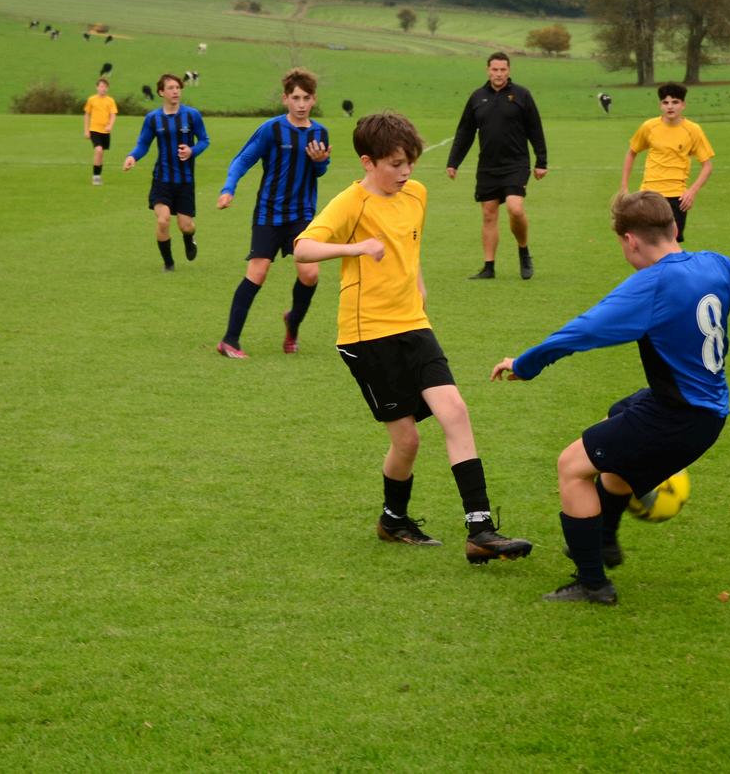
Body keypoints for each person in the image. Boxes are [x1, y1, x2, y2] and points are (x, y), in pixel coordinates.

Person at [490, 191, 730, 604]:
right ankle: (603, 539)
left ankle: (593, 585)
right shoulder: (716, 265)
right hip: (702, 412)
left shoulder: (651, 285)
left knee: (571, 467)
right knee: (618, 417)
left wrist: (525, 364)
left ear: (630, 240)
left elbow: (583, 331)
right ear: (672, 228)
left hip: (677, 418)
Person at [294, 110, 533, 564]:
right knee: (407, 442)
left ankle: (480, 530)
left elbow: (410, 245)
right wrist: (356, 247)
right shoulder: (351, 203)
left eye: (410, 162)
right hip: (366, 335)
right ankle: (393, 519)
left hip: (413, 325)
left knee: (455, 411)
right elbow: (303, 248)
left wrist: (417, 283)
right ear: (368, 162)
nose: (406, 172)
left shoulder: (417, 194)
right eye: (396, 164)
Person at [215, 68, 331, 358]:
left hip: (302, 214)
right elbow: (243, 159)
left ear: (314, 99)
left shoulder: (320, 133)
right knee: (258, 272)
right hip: (269, 213)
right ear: (285, 99)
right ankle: (230, 341)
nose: (301, 104)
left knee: (310, 273)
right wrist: (229, 188)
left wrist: (319, 162)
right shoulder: (272, 129)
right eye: (296, 98)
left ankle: (293, 324)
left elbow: (320, 171)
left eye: (306, 98)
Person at [445, 52, 548, 280]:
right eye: (494, 69)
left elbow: (535, 128)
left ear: (509, 71)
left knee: (515, 208)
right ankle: (488, 267)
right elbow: (465, 132)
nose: (498, 74)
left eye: (503, 70)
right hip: (488, 166)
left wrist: (541, 161)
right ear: (488, 70)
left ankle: (523, 251)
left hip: (516, 163)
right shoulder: (477, 97)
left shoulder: (521, 95)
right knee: (489, 214)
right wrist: (453, 162)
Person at [122, 73, 210, 272]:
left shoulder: (192, 115)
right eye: (170, 88)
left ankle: (189, 238)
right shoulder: (153, 118)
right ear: (161, 92)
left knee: (186, 225)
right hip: (162, 179)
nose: (175, 91)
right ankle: (168, 263)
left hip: (185, 180)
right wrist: (132, 156)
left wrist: (192, 151)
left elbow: (204, 140)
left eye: (178, 87)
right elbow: (143, 144)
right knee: (163, 220)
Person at [619, 82, 715, 241]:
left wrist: (692, 192)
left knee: (671, 245)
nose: (670, 106)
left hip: (677, 198)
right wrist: (624, 186)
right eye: (665, 102)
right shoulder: (649, 127)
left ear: (683, 105)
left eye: (675, 102)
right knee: (647, 242)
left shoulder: (693, 130)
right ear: (660, 105)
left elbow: (707, 166)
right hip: (649, 195)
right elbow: (631, 153)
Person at [83, 77, 118, 185]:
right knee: (98, 150)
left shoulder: (110, 101)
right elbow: (87, 114)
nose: (103, 88)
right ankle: (95, 177)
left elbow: (113, 114)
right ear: (97, 87)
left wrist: (110, 126)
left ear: (107, 88)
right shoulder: (91, 100)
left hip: (105, 131)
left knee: (101, 153)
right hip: (94, 130)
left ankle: (98, 175)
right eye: (101, 86)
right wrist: (86, 130)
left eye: (105, 87)